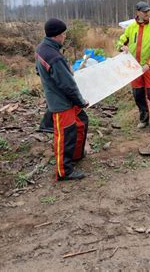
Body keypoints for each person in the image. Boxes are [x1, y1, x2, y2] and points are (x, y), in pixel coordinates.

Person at [35, 18, 89, 180]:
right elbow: (68, 85)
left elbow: (39, 70)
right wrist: (80, 101)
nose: (65, 37)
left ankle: (76, 155)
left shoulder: (42, 48)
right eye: (63, 34)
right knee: (65, 134)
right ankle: (64, 171)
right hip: (61, 102)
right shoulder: (53, 56)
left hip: (64, 99)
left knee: (81, 122)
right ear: (57, 35)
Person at [117, 1, 150, 129]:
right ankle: (144, 119)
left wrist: (149, 64)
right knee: (138, 94)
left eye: (148, 11)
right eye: (144, 11)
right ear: (138, 12)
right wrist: (122, 47)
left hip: (149, 67)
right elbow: (121, 41)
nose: (147, 14)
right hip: (134, 67)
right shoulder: (131, 27)